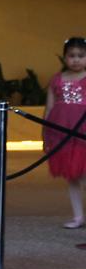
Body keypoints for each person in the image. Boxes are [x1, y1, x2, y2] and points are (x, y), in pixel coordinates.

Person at [45, 37, 86, 228]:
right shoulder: (57, 79)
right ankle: (78, 216)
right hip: (62, 132)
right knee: (72, 176)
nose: (76, 60)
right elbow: (50, 107)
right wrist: (45, 132)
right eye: (71, 56)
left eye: (81, 56)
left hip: (83, 133)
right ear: (64, 57)